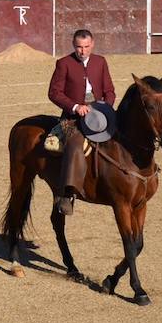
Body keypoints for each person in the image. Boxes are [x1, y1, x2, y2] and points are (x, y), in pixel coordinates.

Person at [47, 29, 116, 215]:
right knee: (75, 145)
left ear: (92, 45)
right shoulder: (64, 64)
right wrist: (76, 107)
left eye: (86, 47)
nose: (82, 51)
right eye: (79, 47)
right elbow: (54, 93)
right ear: (73, 45)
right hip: (74, 118)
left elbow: (109, 90)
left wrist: (105, 108)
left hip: (100, 114)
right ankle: (66, 193)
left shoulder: (100, 62)